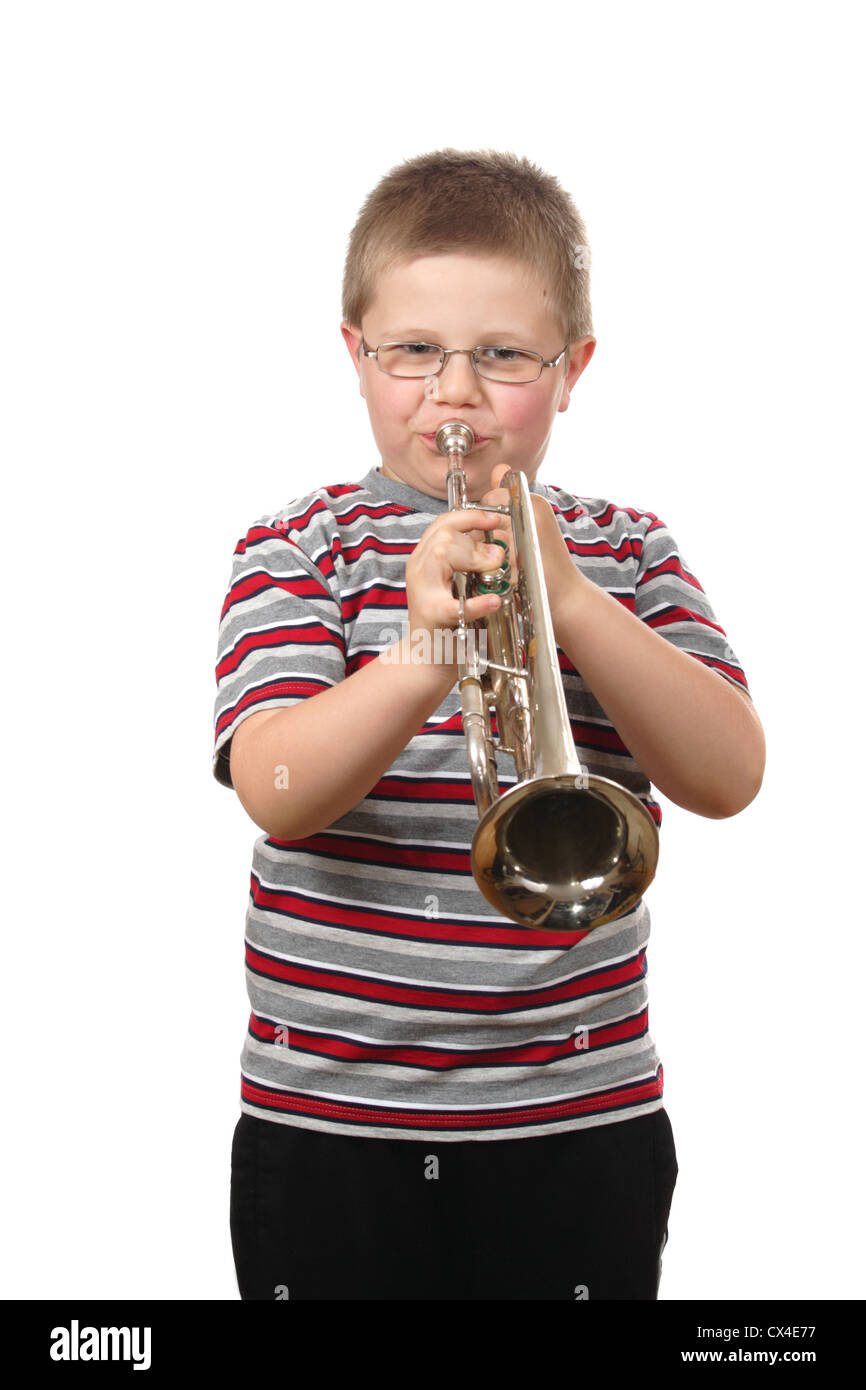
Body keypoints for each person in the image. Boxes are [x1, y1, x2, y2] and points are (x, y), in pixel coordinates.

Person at [212, 148, 766, 1301]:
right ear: (354, 356)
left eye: (503, 356)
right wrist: (424, 650)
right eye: (413, 351)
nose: (453, 395)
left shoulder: (627, 550)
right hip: (330, 1120)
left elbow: (727, 775)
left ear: (572, 371)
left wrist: (566, 598)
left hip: (579, 1117)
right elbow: (275, 785)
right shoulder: (297, 547)